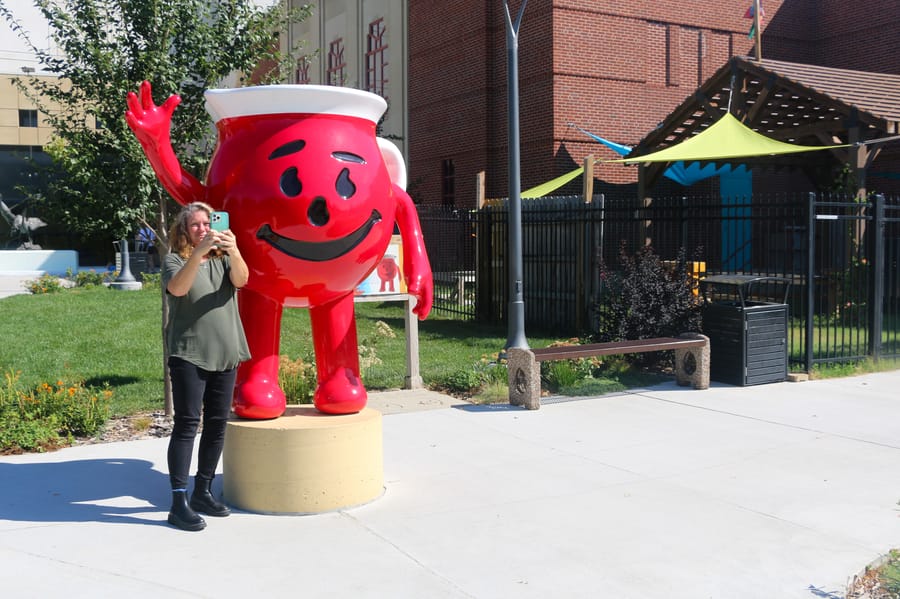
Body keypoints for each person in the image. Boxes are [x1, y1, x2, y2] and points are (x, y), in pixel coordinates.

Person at [162, 201, 250, 531]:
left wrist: (236, 249)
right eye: (195, 224)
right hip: (189, 355)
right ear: (184, 230)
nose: (203, 228)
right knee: (187, 424)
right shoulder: (175, 261)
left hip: (225, 353)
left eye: (207, 223)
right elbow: (178, 288)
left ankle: (203, 490)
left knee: (216, 424)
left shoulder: (225, 258)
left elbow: (241, 281)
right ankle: (178, 501)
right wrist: (197, 254)